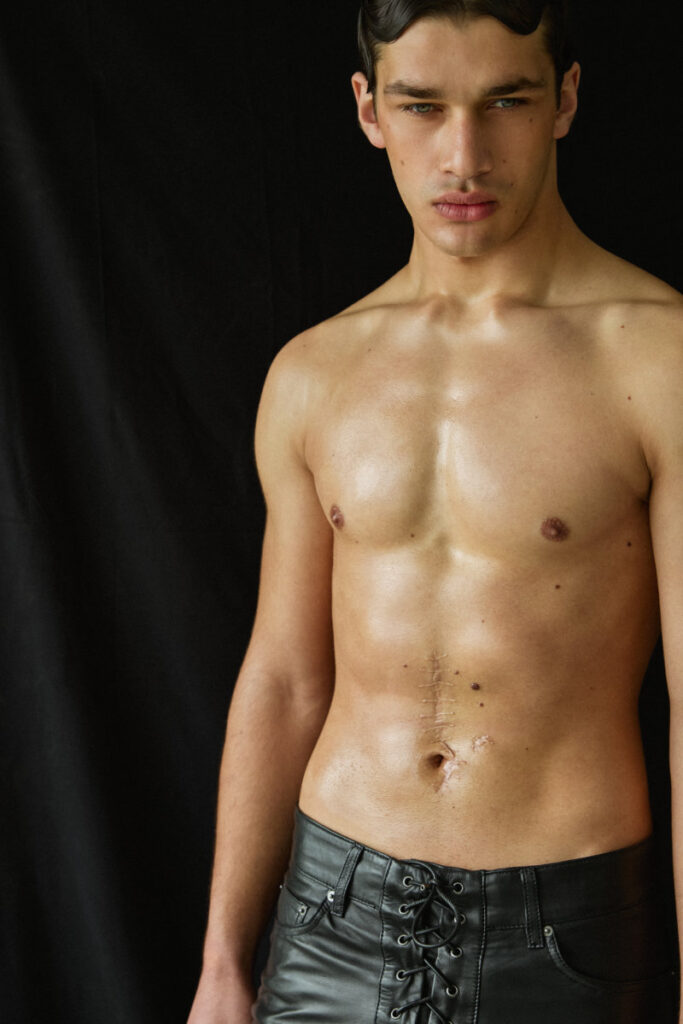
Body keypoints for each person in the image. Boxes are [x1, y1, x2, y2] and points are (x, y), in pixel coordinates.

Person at [187, 1, 683, 1021]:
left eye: (505, 101)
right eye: (421, 106)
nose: (463, 156)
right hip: (327, 918)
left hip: (562, 934)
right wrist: (223, 964)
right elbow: (284, 679)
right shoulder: (314, 373)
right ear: (368, 110)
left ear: (564, 100)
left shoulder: (654, 359)